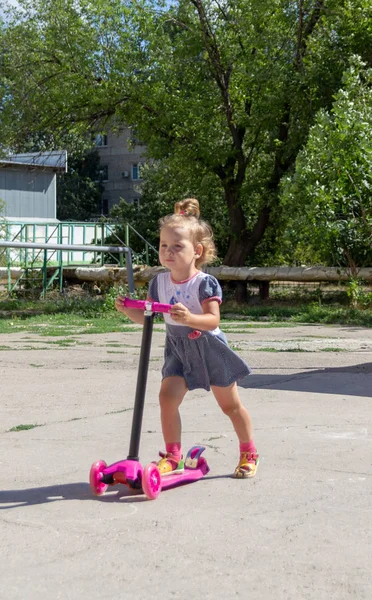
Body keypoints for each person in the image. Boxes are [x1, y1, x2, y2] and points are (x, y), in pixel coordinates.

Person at [115, 198, 259, 479]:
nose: (168, 252)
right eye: (163, 246)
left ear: (197, 251)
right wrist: (127, 310)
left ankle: (249, 452)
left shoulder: (204, 283)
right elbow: (147, 316)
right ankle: (173, 456)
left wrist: (189, 319)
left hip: (208, 348)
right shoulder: (159, 282)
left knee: (229, 406)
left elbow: (213, 319)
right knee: (167, 398)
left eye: (177, 246)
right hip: (178, 349)